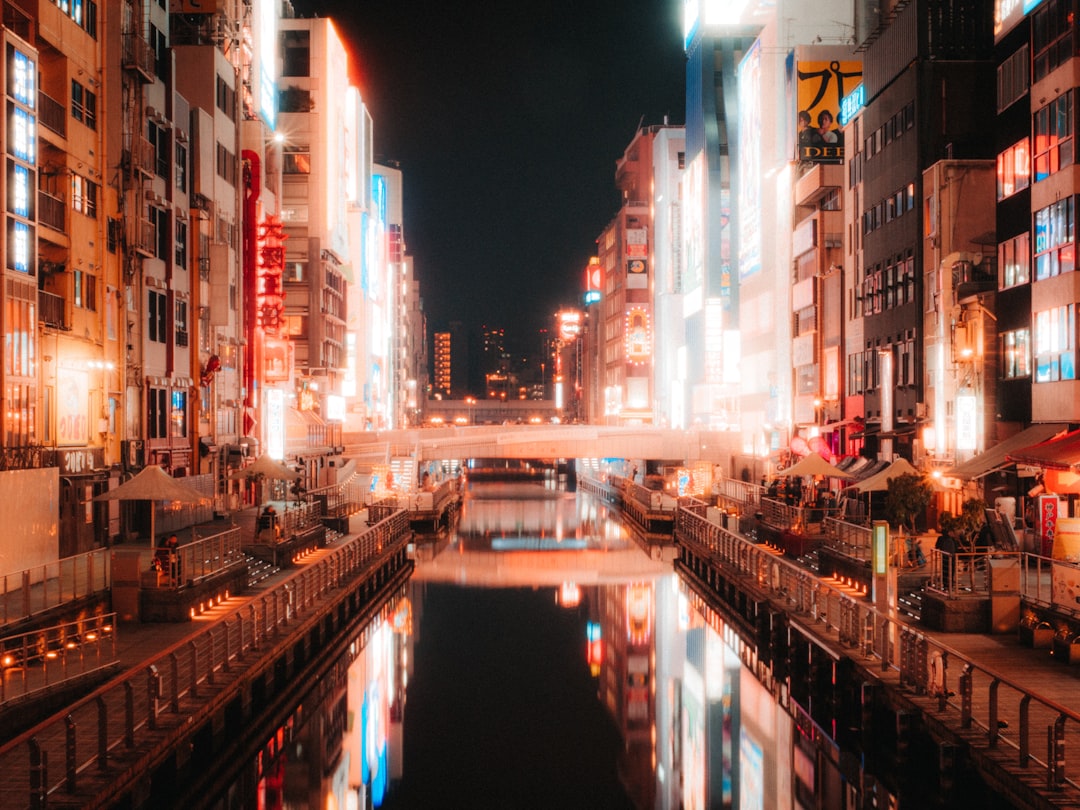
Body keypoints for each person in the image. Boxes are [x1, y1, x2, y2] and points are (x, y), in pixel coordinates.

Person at [936, 525, 958, 590]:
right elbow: (956, 548)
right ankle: (949, 584)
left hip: (945, 557)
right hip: (951, 557)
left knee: (945, 571)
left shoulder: (941, 538)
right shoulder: (951, 540)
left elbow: (937, 546)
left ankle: (946, 584)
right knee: (950, 571)